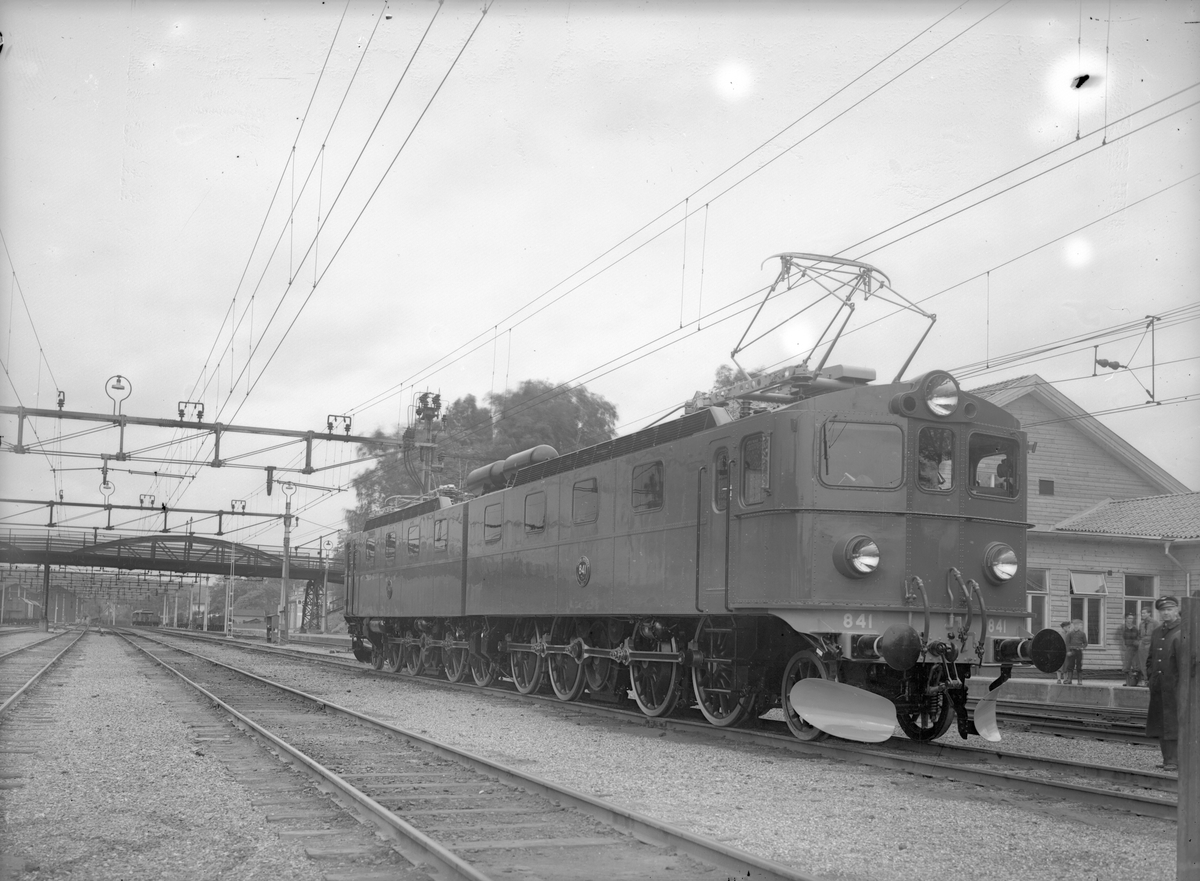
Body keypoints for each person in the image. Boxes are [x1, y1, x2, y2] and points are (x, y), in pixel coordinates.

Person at [1144, 596, 1182, 773]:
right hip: (1159, 685)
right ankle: (1167, 759)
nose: (1166, 613)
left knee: (1174, 722)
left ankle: (1176, 760)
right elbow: (1151, 657)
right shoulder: (1158, 631)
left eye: (1169, 609)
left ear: (1176, 610)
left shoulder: (1184, 629)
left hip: (1176, 686)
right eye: (1162, 610)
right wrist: (1151, 676)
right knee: (1161, 722)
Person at [1062, 619, 1087, 685]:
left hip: (1078, 651)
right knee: (1070, 665)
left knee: (1079, 666)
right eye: (1075, 625)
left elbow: (1085, 643)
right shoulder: (1070, 634)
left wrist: (1082, 647)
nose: (1076, 626)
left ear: (1080, 626)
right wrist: (1068, 651)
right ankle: (1069, 680)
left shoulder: (1082, 634)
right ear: (1073, 625)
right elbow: (1067, 644)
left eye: (1078, 625)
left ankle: (1080, 681)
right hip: (1071, 651)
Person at [1136, 607, 1155, 687]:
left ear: (1149, 613)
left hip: (1151, 644)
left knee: (1150, 662)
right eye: (1142, 613)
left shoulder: (1154, 623)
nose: (1142, 615)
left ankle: (1151, 680)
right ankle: (1145, 679)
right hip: (1142, 644)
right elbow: (1139, 634)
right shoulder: (1141, 624)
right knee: (1142, 662)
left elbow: (1158, 634)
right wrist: (1140, 642)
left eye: (1144, 613)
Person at [1119, 613, 1140, 686]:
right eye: (1129, 618)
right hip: (1127, 648)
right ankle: (1127, 682)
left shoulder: (1135, 628)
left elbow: (1138, 637)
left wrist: (1137, 643)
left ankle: (1134, 682)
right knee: (1127, 665)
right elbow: (1121, 638)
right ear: (1125, 619)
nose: (1130, 620)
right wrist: (1123, 646)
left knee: (1135, 665)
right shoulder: (1123, 628)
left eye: (1132, 618)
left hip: (1135, 648)